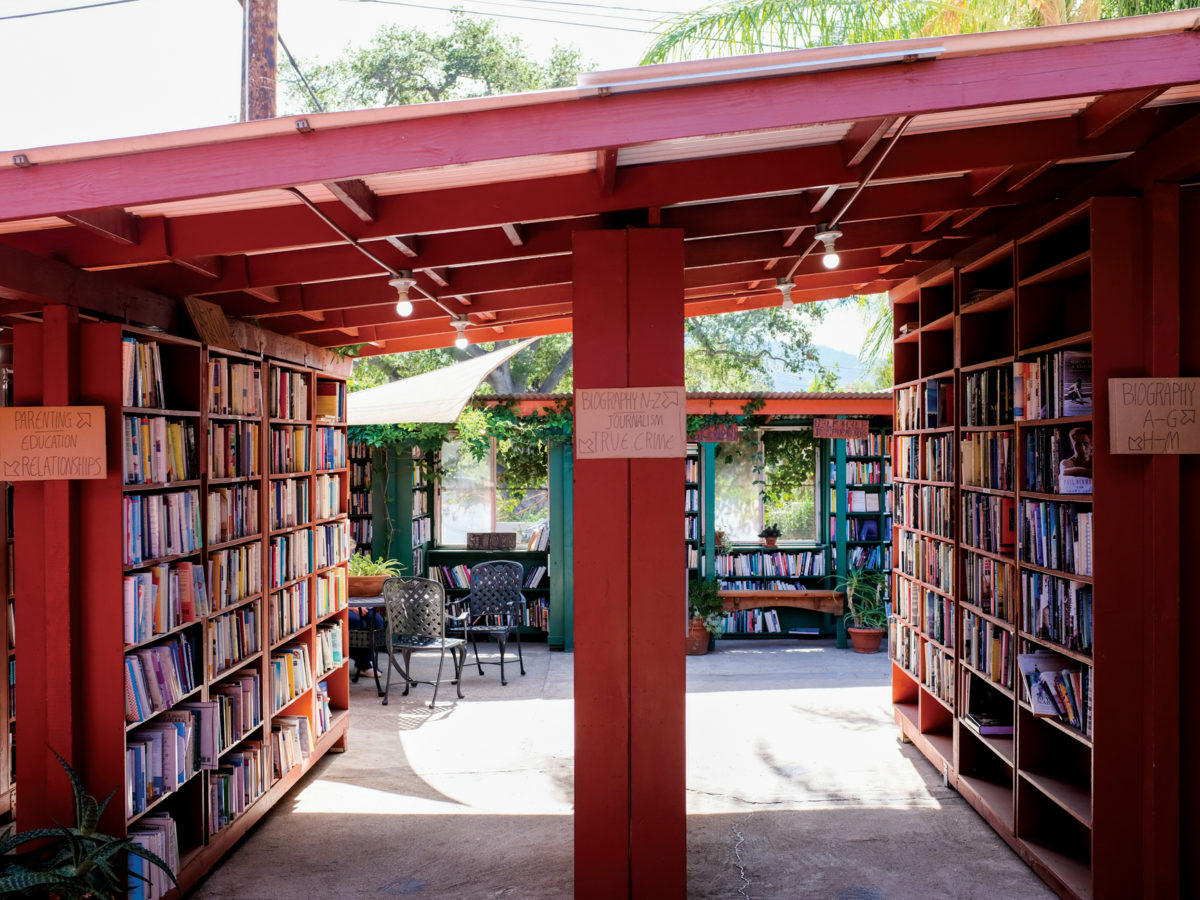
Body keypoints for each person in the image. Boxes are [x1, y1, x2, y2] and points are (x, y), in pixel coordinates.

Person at [349, 605, 384, 679]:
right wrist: (352, 608)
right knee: (358, 622)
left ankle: (363, 662)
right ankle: (364, 664)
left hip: (361, 605)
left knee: (377, 620)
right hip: (342, 608)